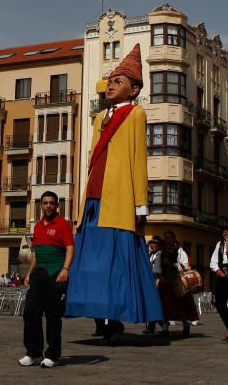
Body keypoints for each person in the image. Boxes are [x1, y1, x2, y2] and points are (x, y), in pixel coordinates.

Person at [66, 45, 162, 345]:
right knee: (93, 263)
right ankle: (99, 316)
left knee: (117, 263)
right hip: (94, 198)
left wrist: (140, 202)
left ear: (133, 90)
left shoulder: (136, 115)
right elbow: (92, 160)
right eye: (110, 80)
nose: (110, 84)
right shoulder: (98, 119)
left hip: (118, 199)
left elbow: (138, 159)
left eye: (118, 81)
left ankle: (116, 318)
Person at [20, 191, 74, 368]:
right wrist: (29, 273)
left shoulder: (63, 224)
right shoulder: (37, 226)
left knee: (52, 316)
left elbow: (70, 248)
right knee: (30, 313)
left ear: (57, 206)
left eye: (52, 203)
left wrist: (65, 269)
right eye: (45, 203)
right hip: (38, 275)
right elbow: (36, 253)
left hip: (56, 274)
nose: (48, 206)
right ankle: (33, 353)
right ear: (41, 205)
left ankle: (53, 355)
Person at [158, 230, 199, 338]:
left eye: (169, 237)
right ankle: (165, 328)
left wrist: (172, 264)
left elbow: (186, 267)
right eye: (165, 237)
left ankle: (185, 325)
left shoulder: (180, 251)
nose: (167, 240)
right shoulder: (162, 252)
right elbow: (158, 266)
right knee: (164, 305)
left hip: (177, 282)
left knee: (181, 306)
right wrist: (160, 274)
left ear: (174, 238)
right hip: (165, 282)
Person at [143, 236, 165, 335]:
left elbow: (157, 271)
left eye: (154, 243)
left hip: (159, 282)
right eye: (151, 243)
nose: (152, 245)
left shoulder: (160, 255)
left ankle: (164, 327)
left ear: (158, 245)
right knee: (152, 304)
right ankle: (152, 327)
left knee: (157, 304)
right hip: (152, 282)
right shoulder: (150, 255)